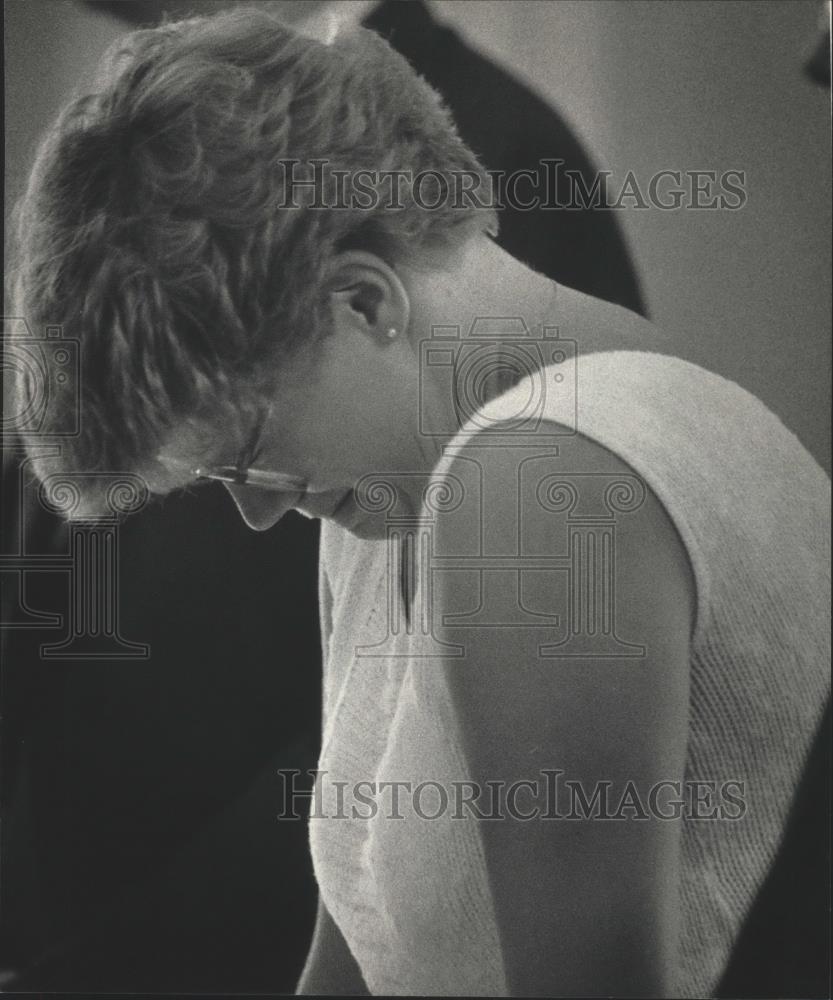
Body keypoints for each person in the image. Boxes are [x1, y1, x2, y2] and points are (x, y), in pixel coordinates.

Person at [9, 8, 829, 997]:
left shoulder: (544, 473)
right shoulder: (396, 495)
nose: (262, 515)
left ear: (363, 301)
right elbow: (353, 961)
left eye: (246, 459)